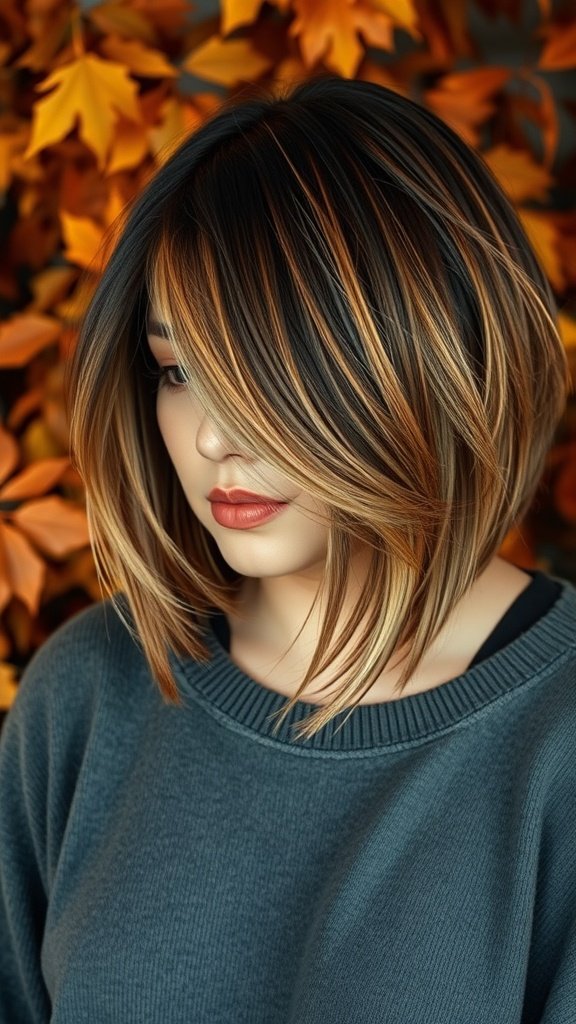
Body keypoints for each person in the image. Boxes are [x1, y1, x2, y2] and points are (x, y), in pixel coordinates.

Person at [0, 73, 574, 1024]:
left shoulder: (555, 742)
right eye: (179, 369)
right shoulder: (91, 694)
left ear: (434, 353)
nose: (217, 435)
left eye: (269, 369)